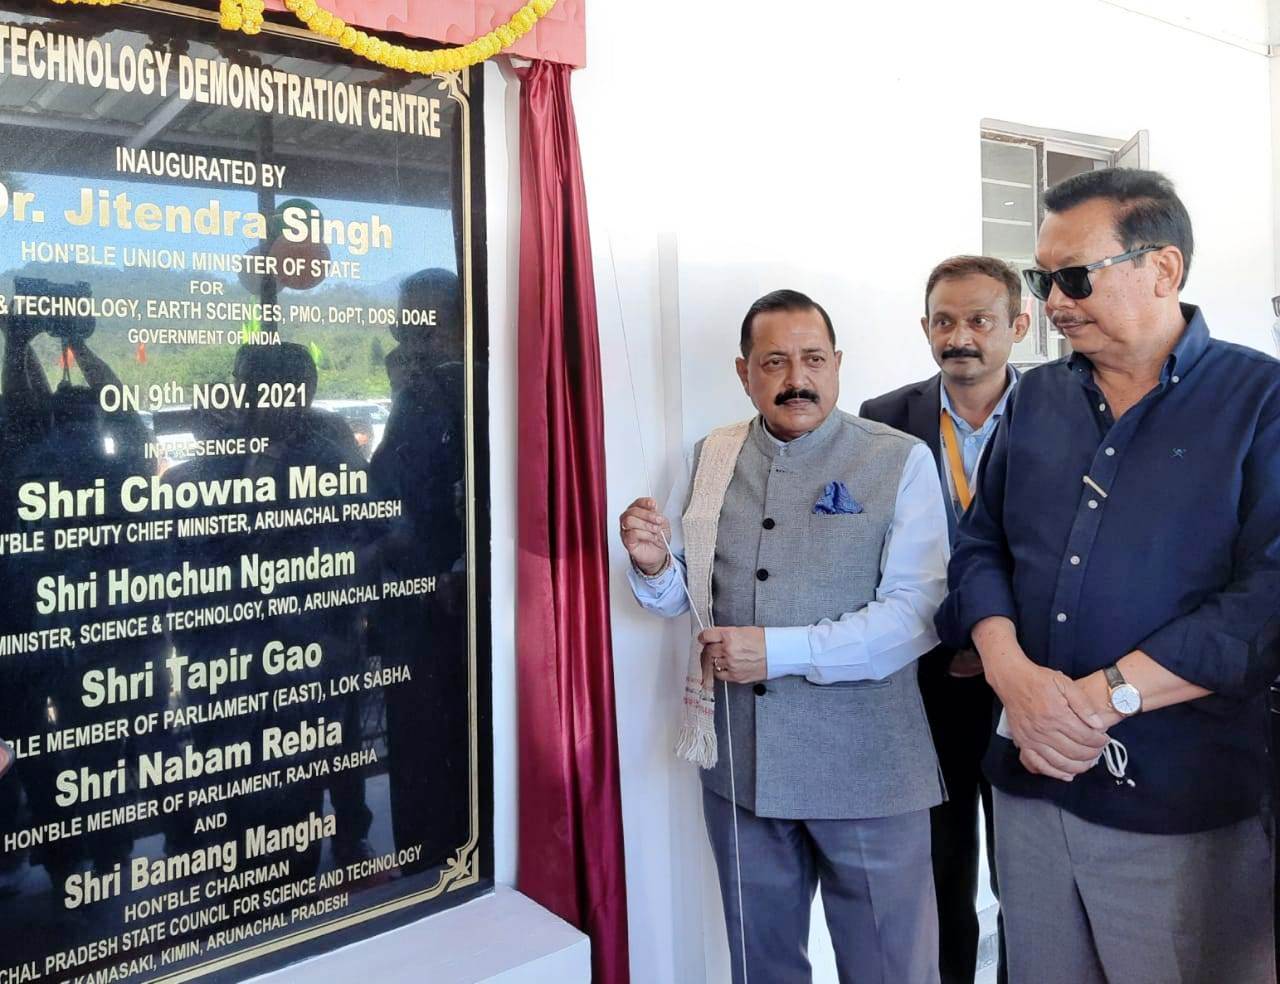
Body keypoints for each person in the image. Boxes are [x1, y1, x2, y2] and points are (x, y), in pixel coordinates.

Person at [936, 167, 1280, 983]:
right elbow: (981, 547)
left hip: (1178, 800)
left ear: (1162, 269)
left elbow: (1265, 598)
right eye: (1041, 279)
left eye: (1073, 277)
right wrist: (1014, 676)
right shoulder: (1039, 399)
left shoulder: (1259, 399)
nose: (1052, 303)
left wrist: (1100, 699)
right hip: (1031, 786)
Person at [620, 289, 950, 983]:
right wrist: (653, 566)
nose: (795, 378)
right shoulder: (710, 457)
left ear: (837, 365)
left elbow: (915, 614)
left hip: (869, 771)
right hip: (741, 771)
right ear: (745, 373)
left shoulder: (899, 460)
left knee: (892, 968)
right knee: (760, 966)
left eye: (812, 359)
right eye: (775, 361)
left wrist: (777, 650)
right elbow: (692, 595)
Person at [860, 254, 1027, 984]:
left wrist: (993, 642)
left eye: (980, 320)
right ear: (926, 326)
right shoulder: (882, 419)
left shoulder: (1064, 411)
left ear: (1018, 326)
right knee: (940, 869)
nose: (961, 336)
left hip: (1028, 680)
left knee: (1028, 876)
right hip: (926, 685)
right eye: (945, 320)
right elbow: (872, 552)